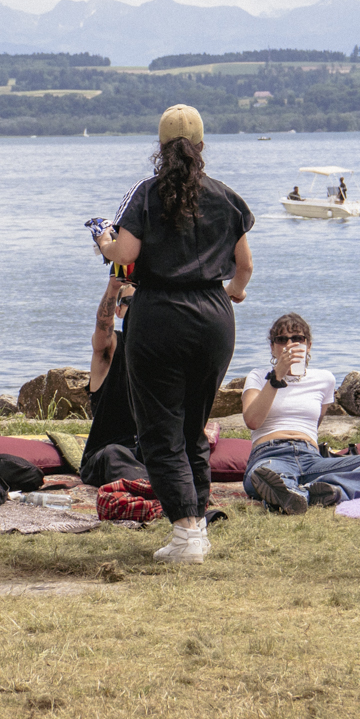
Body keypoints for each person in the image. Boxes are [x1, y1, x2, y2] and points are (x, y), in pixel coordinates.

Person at [95, 104, 253, 564]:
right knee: (193, 429)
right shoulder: (226, 197)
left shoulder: (146, 194)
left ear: (161, 148)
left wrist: (104, 241)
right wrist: (232, 293)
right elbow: (244, 266)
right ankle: (196, 525)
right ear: (201, 146)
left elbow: (125, 254)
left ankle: (185, 533)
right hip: (214, 317)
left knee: (159, 429)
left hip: (159, 314)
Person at [240, 313, 360, 513]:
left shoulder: (324, 379)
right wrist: (276, 376)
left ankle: (308, 492)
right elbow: (252, 421)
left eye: (297, 338)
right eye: (281, 340)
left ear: (308, 345)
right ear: (273, 347)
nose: (289, 345)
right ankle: (317, 491)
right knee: (263, 475)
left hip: (311, 458)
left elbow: (312, 427)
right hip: (271, 454)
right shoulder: (258, 376)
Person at [79, 271, 218, 487]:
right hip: (108, 453)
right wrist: (113, 287)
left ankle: (176, 492)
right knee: (114, 454)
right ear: (118, 310)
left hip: (150, 453)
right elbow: (102, 329)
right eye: (129, 302)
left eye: (142, 302)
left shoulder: (162, 355)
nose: (136, 307)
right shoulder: (111, 349)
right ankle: (158, 488)